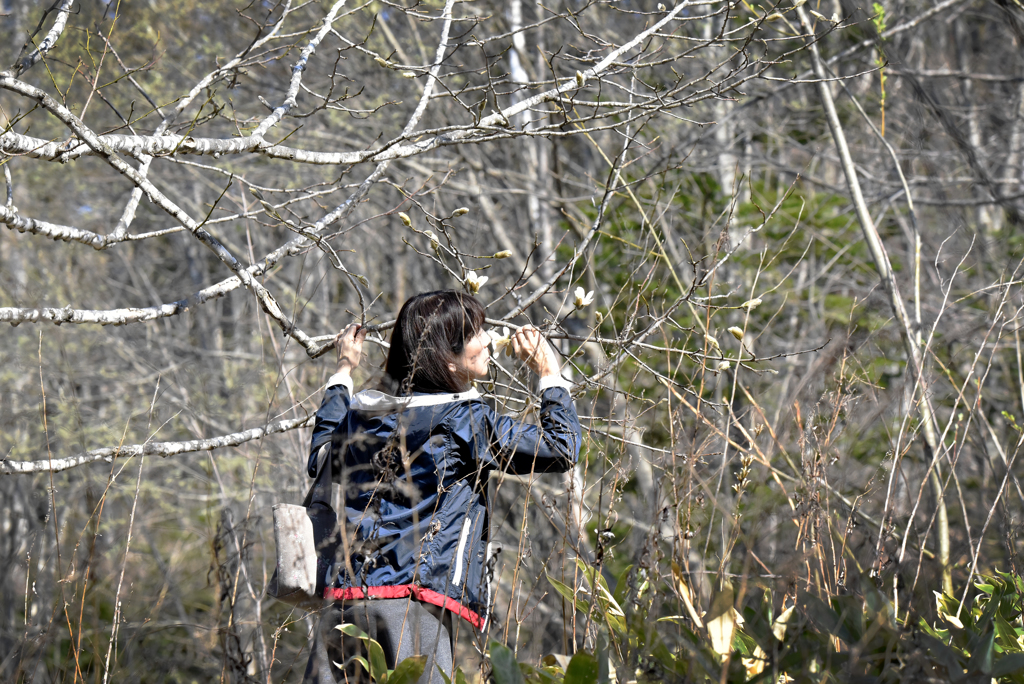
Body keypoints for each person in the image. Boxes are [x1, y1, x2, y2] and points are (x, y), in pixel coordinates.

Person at [302, 290, 581, 684]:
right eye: (476, 333)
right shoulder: (466, 421)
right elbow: (561, 447)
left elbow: (321, 454)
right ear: (447, 359)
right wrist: (549, 375)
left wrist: (343, 372)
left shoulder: (363, 416)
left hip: (344, 607)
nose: (487, 340)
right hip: (412, 610)